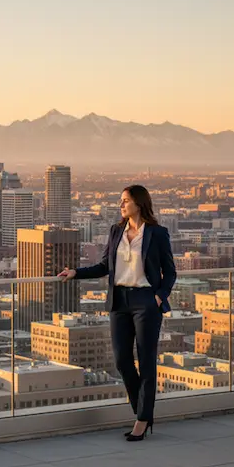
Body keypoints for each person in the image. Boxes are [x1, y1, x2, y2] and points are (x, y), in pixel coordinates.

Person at [58, 185, 176, 441]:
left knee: (146, 362)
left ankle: (142, 420)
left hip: (146, 301)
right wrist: (76, 272)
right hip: (119, 301)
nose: (121, 205)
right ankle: (143, 412)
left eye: (125, 201)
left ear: (139, 203)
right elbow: (104, 266)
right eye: (121, 201)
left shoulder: (157, 233)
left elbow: (171, 272)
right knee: (122, 361)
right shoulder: (116, 231)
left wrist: (158, 296)